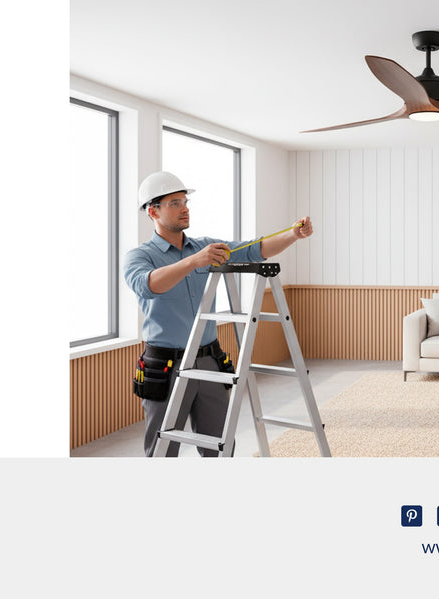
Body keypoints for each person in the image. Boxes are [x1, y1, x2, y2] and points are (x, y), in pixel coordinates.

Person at [123, 171, 313, 457]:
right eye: (175, 203)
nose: (184, 208)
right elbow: (147, 285)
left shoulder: (205, 247)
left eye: (185, 201)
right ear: (153, 211)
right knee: (162, 450)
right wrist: (193, 262)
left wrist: (292, 235)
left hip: (209, 360)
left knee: (220, 445)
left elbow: (253, 250)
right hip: (166, 365)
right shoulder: (140, 256)